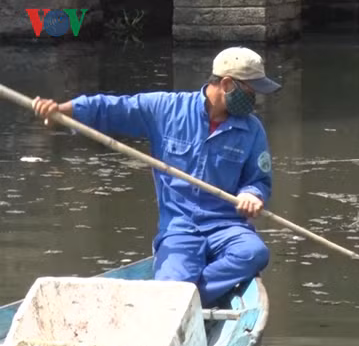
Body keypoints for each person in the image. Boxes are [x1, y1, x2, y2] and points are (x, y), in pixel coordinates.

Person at [32, 46, 281, 307]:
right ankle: (180, 298)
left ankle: (190, 301)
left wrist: (251, 194)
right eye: (250, 91)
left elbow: (259, 179)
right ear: (227, 84)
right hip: (180, 227)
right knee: (173, 282)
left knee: (253, 253)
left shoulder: (252, 130)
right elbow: (112, 108)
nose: (255, 99)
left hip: (226, 226)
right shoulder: (166, 109)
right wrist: (62, 111)